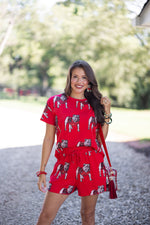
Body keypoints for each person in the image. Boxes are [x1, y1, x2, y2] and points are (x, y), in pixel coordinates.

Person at [36, 60, 112, 225]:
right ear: (69, 78)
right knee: (46, 215)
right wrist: (42, 170)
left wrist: (106, 113)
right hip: (65, 164)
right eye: (75, 77)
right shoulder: (55, 102)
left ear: (89, 81)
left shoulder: (95, 104)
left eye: (84, 77)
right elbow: (49, 138)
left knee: (88, 215)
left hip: (91, 164)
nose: (79, 81)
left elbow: (100, 140)